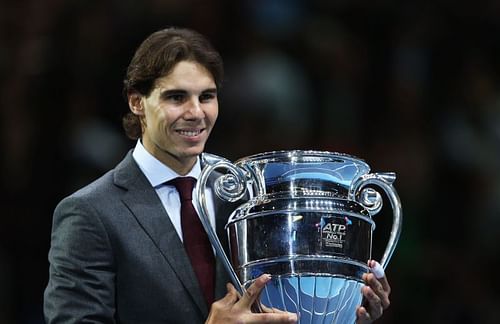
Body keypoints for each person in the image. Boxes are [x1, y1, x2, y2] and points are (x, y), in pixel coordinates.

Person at [43, 27, 391, 323]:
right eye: (176, 97)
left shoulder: (249, 197)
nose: (196, 113)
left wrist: (342, 308)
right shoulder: (91, 213)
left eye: (206, 96)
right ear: (137, 102)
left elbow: (283, 306)